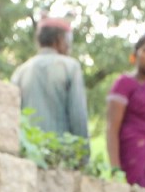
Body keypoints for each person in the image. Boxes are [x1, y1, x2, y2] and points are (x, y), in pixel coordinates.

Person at [10, 16, 89, 152]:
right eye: (68, 40)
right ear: (58, 40)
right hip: (61, 155)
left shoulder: (20, 72)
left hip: (29, 152)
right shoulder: (70, 67)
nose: (69, 46)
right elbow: (78, 117)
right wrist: (83, 154)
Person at [105, 32, 145, 190]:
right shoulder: (124, 84)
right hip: (133, 160)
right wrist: (115, 170)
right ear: (136, 54)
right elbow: (112, 129)